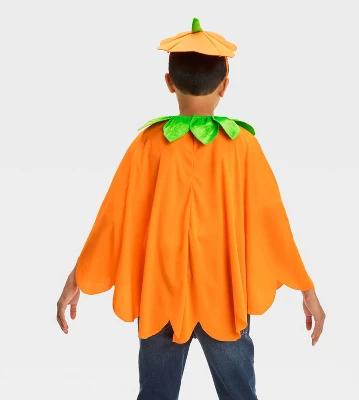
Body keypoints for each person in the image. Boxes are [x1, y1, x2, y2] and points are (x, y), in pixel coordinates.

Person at [57, 17, 326, 400]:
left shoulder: (148, 144)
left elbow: (114, 217)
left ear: (169, 82)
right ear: (225, 85)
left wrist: (79, 275)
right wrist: (305, 286)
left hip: (160, 295)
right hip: (225, 297)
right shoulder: (242, 146)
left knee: (155, 394)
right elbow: (271, 220)